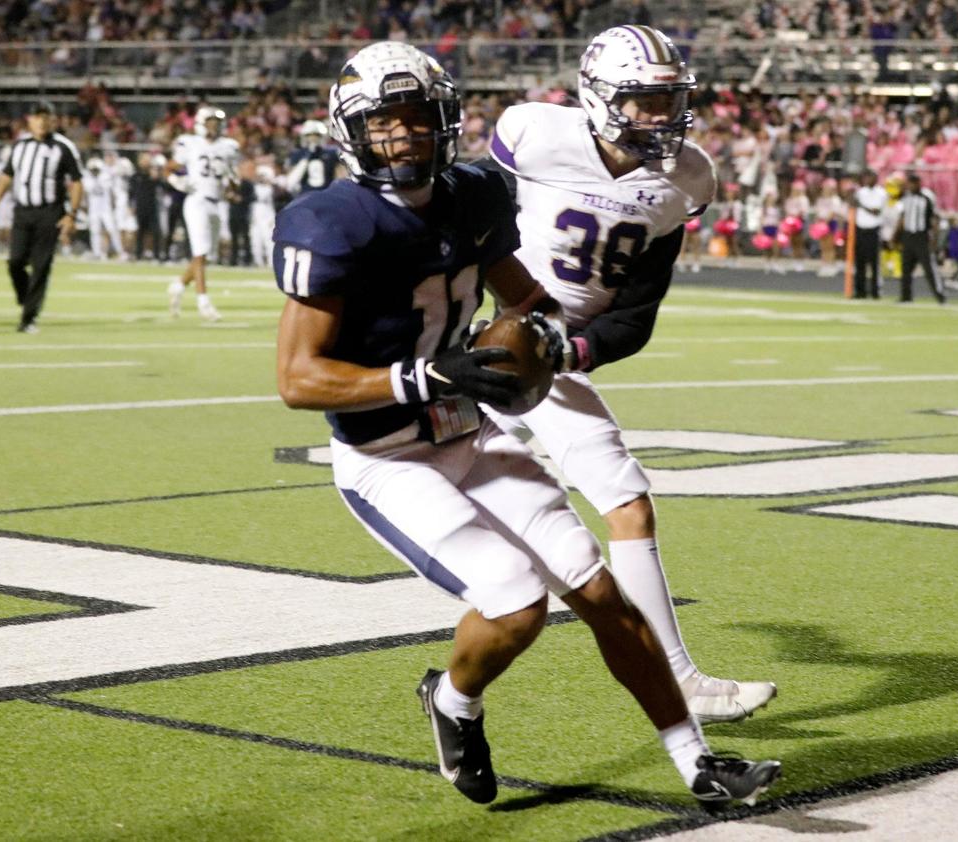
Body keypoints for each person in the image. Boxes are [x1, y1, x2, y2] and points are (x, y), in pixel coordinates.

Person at [272, 41, 780, 808]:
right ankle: (452, 700)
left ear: (447, 122)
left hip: (471, 431)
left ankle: (698, 763)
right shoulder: (330, 221)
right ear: (353, 131)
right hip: (388, 457)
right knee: (517, 603)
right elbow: (297, 379)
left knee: (599, 591)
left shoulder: (475, 195)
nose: (406, 136)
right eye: (387, 123)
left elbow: (525, 296)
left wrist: (540, 344)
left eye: (419, 119)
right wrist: (426, 374)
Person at [480, 25, 777, 725]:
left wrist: (572, 352)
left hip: (556, 357)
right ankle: (461, 695)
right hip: (489, 338)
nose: (660, 117)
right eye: (644, 100)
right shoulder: (532, 134)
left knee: (628, 506)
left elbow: (639, 308)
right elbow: (479, 228)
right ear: (599, 95)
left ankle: (679, 682)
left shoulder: (685, 178)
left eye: (669, 100)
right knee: (506, 543)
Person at [0, 100, 83, 334]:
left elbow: (77, 182)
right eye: (37, 116)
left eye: (46, 116)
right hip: (23, 210)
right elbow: (7, 176)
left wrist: (72, 214)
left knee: (41, 264)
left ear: (53, 120)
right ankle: (26, 297)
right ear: (29, 120)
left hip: (50, 211)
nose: (42, 121)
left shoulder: (63, 146)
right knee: (15, 261)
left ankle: (28, 317)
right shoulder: (20, 146)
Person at [166, 106, 240, 321]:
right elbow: (169, 168)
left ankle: (179, 285)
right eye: (210, 122)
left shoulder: (229, 147)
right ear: (200, 123)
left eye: (216, 122)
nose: (214, 126)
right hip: (196, 201)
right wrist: (179, 183)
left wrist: (233, 190)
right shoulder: (189, 143)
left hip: (216, 203)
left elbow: (233, 178)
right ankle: (203, 302)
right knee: (200, 252)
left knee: (206, 255)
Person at [895, 173, 946, 304]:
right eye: (909, 183)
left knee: (929, 268)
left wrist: (934, 238)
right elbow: (902, 217)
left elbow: (935, 218)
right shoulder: (906, 197)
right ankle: (906, 296)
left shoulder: (927, 197)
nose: (911, 186)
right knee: (905, 268)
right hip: (908, 235)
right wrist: (895, 236)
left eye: (913, 183)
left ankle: (940, 295)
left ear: (918, 184)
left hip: (921, 236)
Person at [83, 156, 126, 261]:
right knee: (94, 231)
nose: (94, 171)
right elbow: (86, 193)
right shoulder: (87, 178)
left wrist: (113, 206)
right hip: (94, 209)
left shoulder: (105, 176)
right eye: (93, 169)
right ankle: (96, 253)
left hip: (105, 208)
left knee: (112, 230)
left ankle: (121, 252)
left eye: (96, 169)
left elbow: (111, 192)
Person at [852, 169, 884, 298]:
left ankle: (876, 291)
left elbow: (876, 211)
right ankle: (860, 291)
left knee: (874, 263)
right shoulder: (860, 192)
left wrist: (860, 205)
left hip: (873, 229)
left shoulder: (881, 193)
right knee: (860, 262)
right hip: (860, 229)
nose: (867, 180)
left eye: (870, 177)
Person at [286, 119, 340, 194]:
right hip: (305, 193)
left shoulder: (331, 152)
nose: (313, 138)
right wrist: (307, 156)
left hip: (327, 193)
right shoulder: (298, 153)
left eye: (316, 135)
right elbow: (291, 180)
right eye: (309, 135)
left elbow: (339, 175)